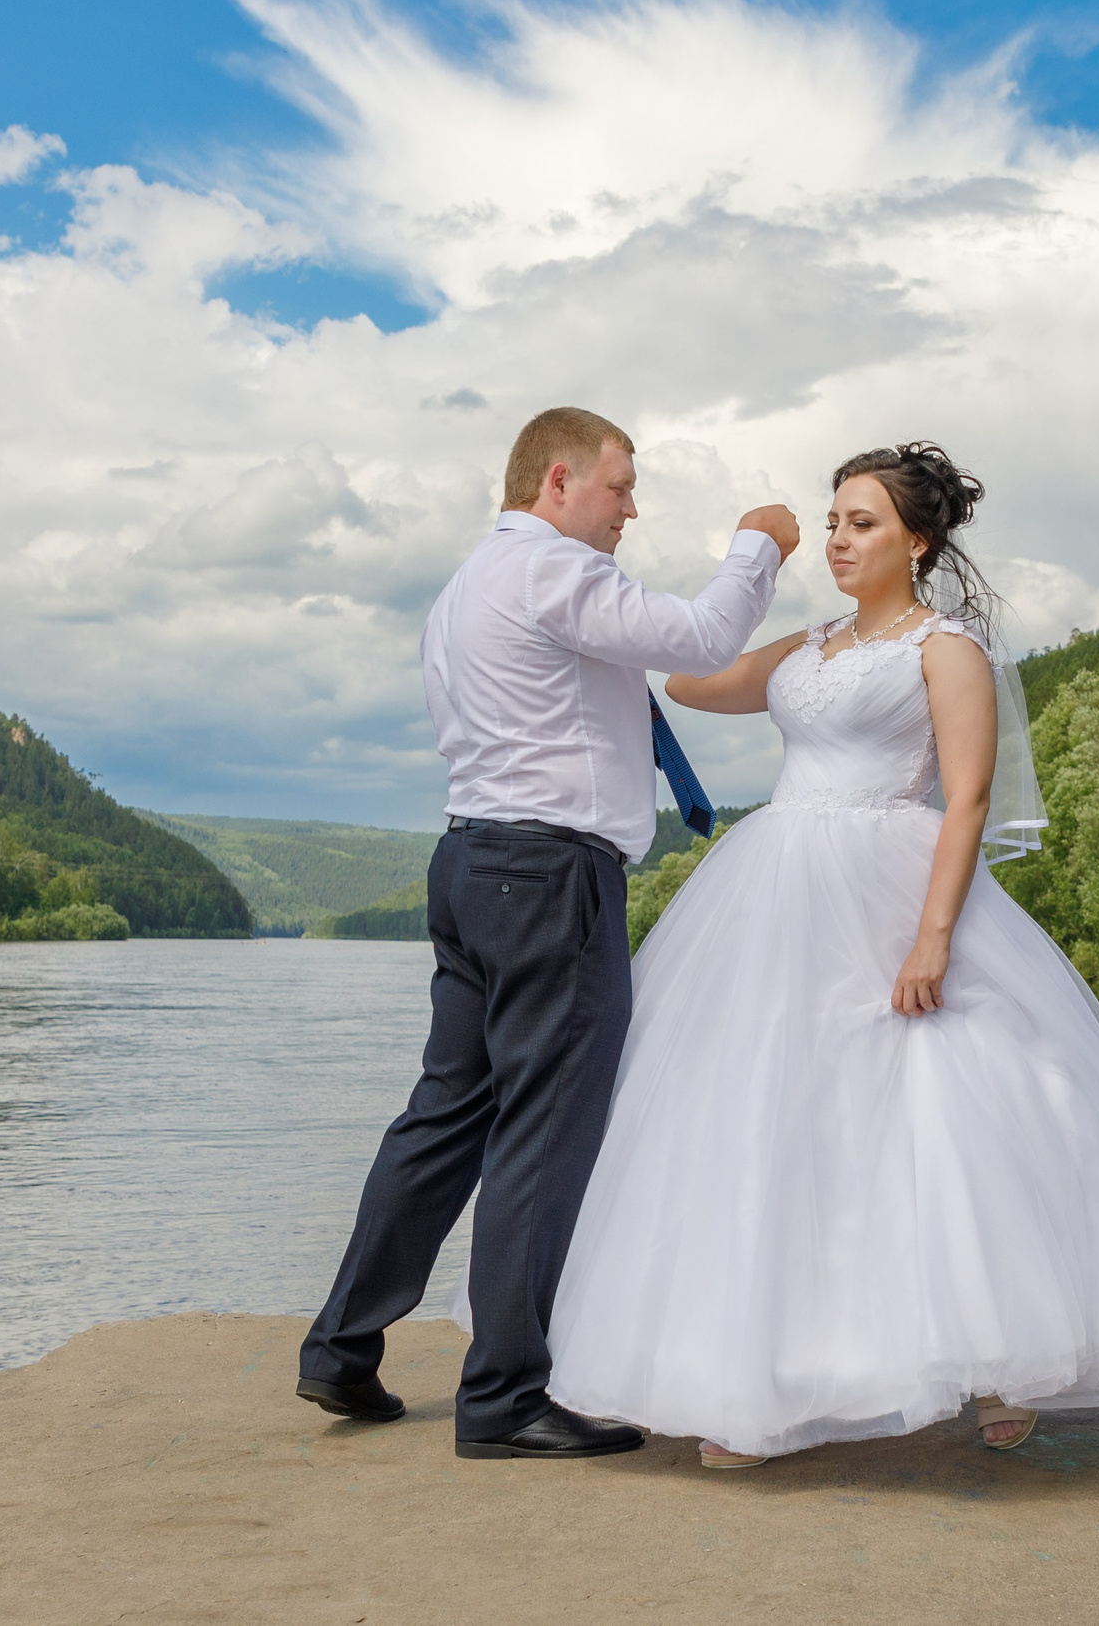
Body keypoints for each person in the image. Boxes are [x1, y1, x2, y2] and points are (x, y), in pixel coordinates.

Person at [544, 442, 1099, 1467]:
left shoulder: (946, 651)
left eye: (864, 524)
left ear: (918, 541)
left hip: (888, 886)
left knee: (946, 1118)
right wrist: (746, 572)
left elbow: (967, 798)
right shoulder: (809, 647)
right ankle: (771, 1386)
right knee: (773, 1119)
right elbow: (689, 679)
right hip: (771, 892)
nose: (840, 540)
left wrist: (930, 936)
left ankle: (997, 1361)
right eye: (835, 521)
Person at [296, 406, 801, 1459]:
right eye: (621, 487)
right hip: (550, 875)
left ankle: (340, 1348)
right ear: (558, 481)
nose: (630, 508)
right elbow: (703, 640)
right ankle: (504, 1399)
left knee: (445, 1115)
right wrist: (760, 544)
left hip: (473, 860)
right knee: (544, 1127)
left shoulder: (463, 589)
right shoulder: (556, 575)